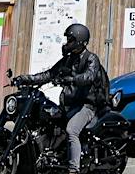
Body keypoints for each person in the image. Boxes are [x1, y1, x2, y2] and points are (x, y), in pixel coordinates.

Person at [35, 22, 110, 172]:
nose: (67, 43)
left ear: (79, 41)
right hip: (70, 105)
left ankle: (73, 169)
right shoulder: (69, 60)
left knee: (71, 130)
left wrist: (71, 79)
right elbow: (49, 74)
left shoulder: (91, 59)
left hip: (88, 106)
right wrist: (25, 79)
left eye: (70, 40)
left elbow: (88, 76)